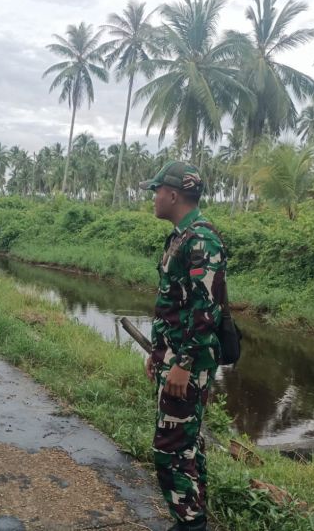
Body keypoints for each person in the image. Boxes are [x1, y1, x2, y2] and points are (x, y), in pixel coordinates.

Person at [140, 161, 227, 531]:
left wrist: (184, 363)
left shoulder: (201, 240)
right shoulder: (179, 236)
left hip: (187, 362)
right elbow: (174, 305)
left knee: (170, 448)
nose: (153, 197)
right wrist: (157, 353)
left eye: (156, 190)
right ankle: (192, 519)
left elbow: (206, 311)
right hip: (172, 356)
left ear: (173, 194)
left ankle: (190, 524)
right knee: (186, 445)